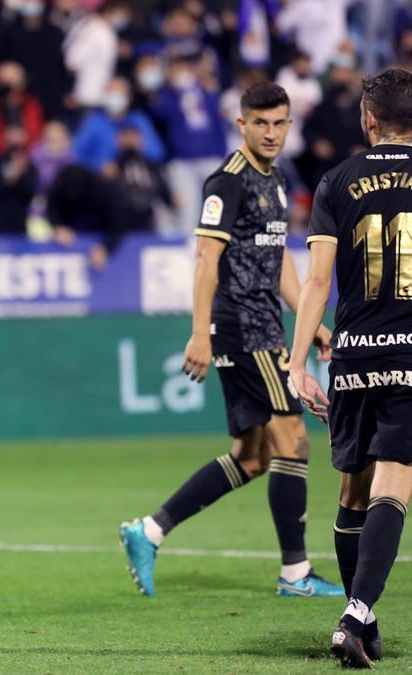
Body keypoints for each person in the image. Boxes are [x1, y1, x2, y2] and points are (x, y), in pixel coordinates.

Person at [118, 83, 344, 599]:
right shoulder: (229, 181)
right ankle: (295, 574)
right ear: (241, 124)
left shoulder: (278, 180)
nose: (270, 133)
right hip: (243, 328)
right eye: (260, 123)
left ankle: (148, 531)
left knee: (252, 456)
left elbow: (277, 256)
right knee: (294, 441)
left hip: (265, 322)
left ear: (290, 125)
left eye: (279, 123)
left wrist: (312, 323)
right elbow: (205, 257)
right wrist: (200, 331)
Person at [288, 67, 412, 668]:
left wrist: (296, 362)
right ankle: (356, 614)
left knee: (353, 491)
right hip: (411, 350)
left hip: (355, 353)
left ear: (368, 117)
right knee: (396, 482)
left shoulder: (336, 181)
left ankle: (366, 619)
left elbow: (316, 282)